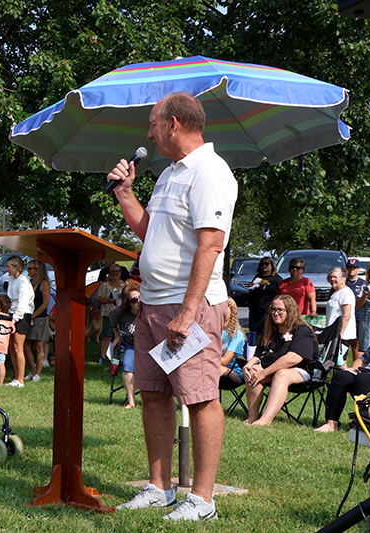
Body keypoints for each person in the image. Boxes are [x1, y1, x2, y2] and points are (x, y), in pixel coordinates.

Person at [106, 92, 237, 520]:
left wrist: (186, 312)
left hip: (188, 307)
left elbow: (210, 245)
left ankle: (202, 500)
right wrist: (125, 193)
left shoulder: (210, 171)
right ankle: (159, 488)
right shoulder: (168, 174)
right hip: (153, 304)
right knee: (154, 395)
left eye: (152, 124)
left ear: (173, 123)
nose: (148, 134)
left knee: (199, 398)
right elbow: (152, 233)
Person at [242, 295, 318, 426]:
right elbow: (257, 355)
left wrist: (264, 372)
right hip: (274, 368)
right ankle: (252, 417)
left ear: (290, 311)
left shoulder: (301, 330)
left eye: (280, 310)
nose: (275, 313)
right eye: (273, 309)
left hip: (302, 370)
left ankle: (265, 420)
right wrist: (247, 366)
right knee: (253, 370)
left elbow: (292, 359)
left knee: (281, 374)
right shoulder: (271, 330)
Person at [316, 333, 370, 433]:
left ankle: (368, 424)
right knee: (342, 376)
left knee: (363, 379)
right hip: (367, 373)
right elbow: (363, 360)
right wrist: (353, 369)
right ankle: (331, 424)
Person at [109, 281, 141, 409]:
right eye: (134, 300)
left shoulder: (149, 310)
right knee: (127, 366)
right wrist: (117, 336)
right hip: (132, 345)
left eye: (140, 298)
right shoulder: (119, 312)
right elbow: (112, 319)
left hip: (149, 346)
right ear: (128, 302)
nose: (138, 301)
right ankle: (131, 402)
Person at [5, 255, 34, 388]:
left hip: (22, 315)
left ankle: (21, 380)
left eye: (9, 267)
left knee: (18, 347)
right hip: (12, 314)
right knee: (11, 346)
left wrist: (14, 319)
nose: (7, 269)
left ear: (17, 267)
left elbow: (22, 304)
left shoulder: (24, 282)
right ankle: (16, 377)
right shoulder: (11, 279)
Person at [23, 259, 51, 382]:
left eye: (30, 268)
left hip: (39, 318)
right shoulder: (29, 282)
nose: (28, 270)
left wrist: (34, 315)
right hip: (29, 317)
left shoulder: (44, 283)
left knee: (39, 347)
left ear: (38, 270)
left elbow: (45, 303)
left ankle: (38, 374)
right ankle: (33, 371)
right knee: (26, 346)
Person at [96, 264, 126, 364]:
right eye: (112, 272)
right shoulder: (105, 285)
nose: (115, 274)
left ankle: (121, 358)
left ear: (120, 273)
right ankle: (102, 357)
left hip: (122, 314)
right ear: (109, 274)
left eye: (117, 272)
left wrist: (123, 297)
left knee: (122, 336)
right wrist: (108, 300)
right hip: (108, 314)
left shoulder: (125, 285)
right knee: (107, 336)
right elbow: (99, 299)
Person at [327, 266, 356, 366]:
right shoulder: (335, 292)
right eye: (331, 277)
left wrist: (340, 334)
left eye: (335, 277)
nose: (332, 279)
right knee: (334, 362)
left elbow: (346, 316)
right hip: (333, 333)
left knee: (341, 363)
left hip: (342, 335)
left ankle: (345, 376)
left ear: (344, 279)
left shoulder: (346, 293)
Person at [247, 256, 281, 343]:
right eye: (262, 264)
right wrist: (250, 286)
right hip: (254, 310)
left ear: (272, 265)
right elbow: (252, 291)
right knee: (256, 333)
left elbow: (280, 295)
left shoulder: (277, 279)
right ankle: (257, 348)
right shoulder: (257, 277)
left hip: (267, 311)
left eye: (266, 264)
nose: (264, 266)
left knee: (267, 332)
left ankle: (266, 348)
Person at [218, 298, 246, 384]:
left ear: (232, 311)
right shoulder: (212, 330)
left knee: (212, 369)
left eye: (224, 307)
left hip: (234, 372)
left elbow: (225, 361)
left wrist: (205, 358)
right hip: (212, 365)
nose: (221, 310)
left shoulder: (237, 334)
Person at [345, 258, 366, 358]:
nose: (351, 270)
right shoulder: (342, 282)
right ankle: (342, 366)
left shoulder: (363, 283)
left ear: (358, 269)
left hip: (357, 317)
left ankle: (356, 366)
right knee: (343, 344)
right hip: (344, 317)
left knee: (356, 344)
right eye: (349, 267)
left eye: (354, 268)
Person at [0, 295, 14, 386]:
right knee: (1, 364)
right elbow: (13, 330)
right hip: (3, 345)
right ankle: (0, 382)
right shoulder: (10, 320)